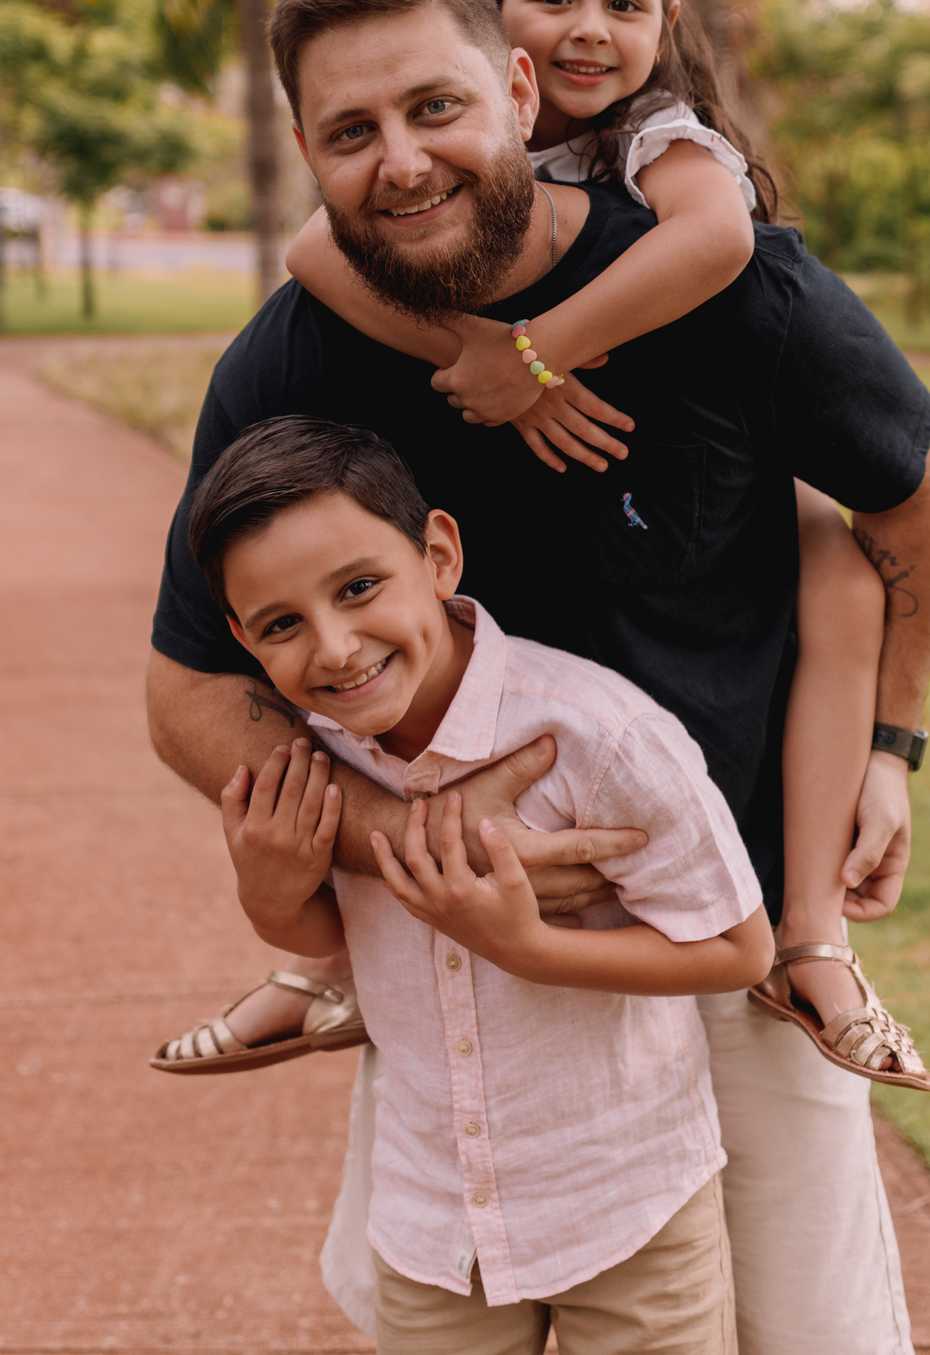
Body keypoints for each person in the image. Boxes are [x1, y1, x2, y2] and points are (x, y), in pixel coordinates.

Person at [146, 0, 930, 1355]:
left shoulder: (739, 295)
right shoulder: (291, 359)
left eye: (436, 108)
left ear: (522, 90)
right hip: (472, 979)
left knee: (809, 1332)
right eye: (352, 132)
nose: (401, 163)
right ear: (304, 152)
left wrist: (890, 744)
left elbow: (910, 504)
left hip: (732, 934)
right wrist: (429, 842)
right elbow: (190, 692)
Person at [210, 0, 930, 1082]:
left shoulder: (663, 148)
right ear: (504, 16)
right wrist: (478, 354)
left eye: (626, 4)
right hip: (470, 922)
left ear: (511, 81)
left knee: (834, 570)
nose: (593, 28)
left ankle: (807, 939)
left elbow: (723, 250)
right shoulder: (323, 311)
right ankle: (325, 966)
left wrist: (541, 357)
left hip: (711, 881)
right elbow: (308, 250)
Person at [193, 412, 772, 1353]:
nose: (335, 647)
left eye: (360, 587)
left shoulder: (598, 737)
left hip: (625, 1203)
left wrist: (528, 949)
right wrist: (269, 893)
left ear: (440, 555)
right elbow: (329, 933)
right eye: (283, 625)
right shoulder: (313, 759)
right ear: (241, 636)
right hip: (434, 1216)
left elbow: (738, 948)